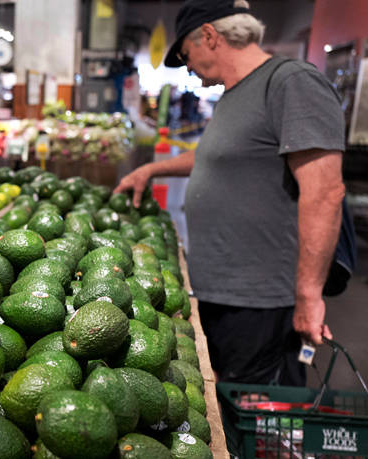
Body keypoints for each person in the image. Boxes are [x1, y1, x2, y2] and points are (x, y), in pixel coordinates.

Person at [115, 0, 345, 385]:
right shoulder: (236, 93)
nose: (188, 66)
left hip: (261, 301)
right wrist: (153, 169)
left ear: (209, 35)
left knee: (261, 418)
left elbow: (325, 192)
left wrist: (309, 295)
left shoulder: (291, 82)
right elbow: (217, 157)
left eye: (186, 55)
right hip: (226, 293)